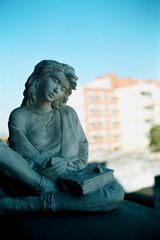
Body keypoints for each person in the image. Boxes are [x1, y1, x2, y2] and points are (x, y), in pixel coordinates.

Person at [0, 60, 124, 215]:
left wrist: (72, 166)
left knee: (115, 190)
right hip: (34, 180)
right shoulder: (19, 116)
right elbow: (20, 157)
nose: (57, 89)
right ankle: (45, 190)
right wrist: (44, 173)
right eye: (55, 80)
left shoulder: (68, 113)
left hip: (69, 179)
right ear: (40, 77)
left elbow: (82, 146)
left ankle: (32, 204)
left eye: (63, 88)